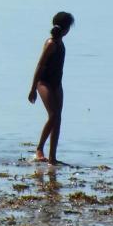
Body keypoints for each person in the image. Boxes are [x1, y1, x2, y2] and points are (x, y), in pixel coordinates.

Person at [29, 12, 75, 164]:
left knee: (58, 118)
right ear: (67, 28)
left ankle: (53, 158)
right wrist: (32, 88)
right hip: (44, 83)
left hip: (57, 84)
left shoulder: (61, 43)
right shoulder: (51, 43)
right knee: (53, 115)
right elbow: (40, 65)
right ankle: (39, 149)